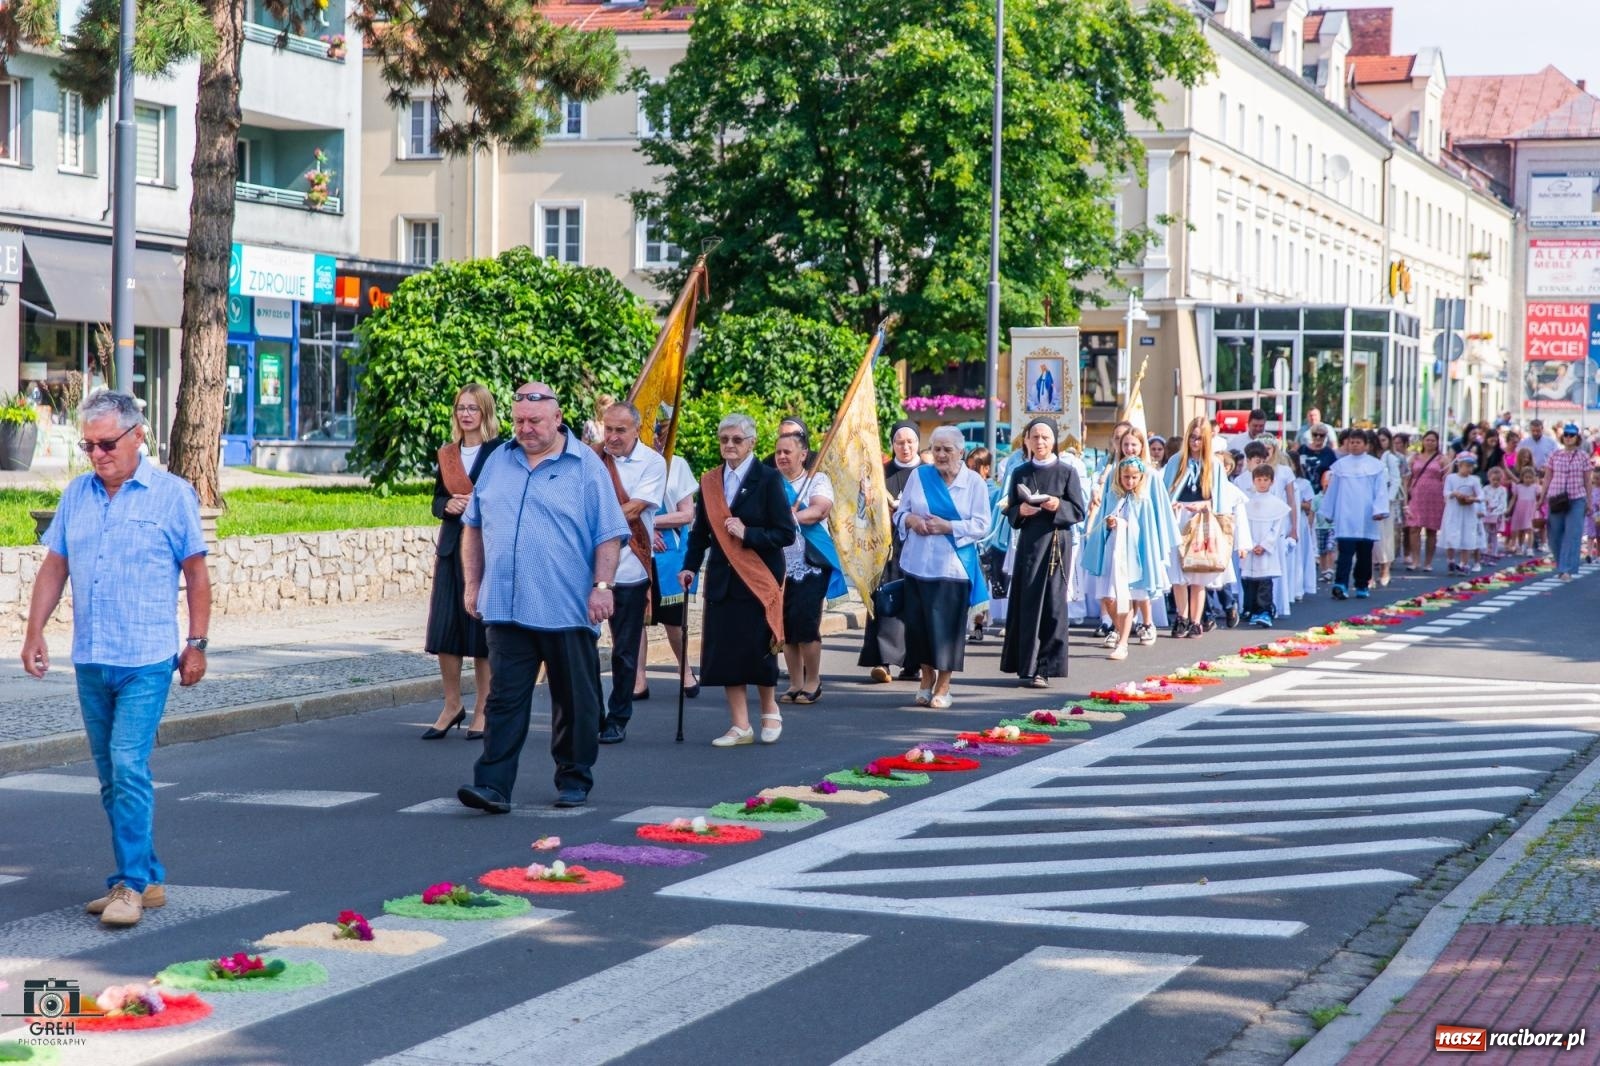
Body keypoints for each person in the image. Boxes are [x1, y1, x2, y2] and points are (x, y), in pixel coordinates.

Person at [22, 390, 210, 927]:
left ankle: (129, 885)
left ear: (138, 436)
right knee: (110, 776)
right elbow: (55, 567)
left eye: (106, 444)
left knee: (128, 765)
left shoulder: (172, 495)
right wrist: (34, 632)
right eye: (88, 446)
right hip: (92, 657)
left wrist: (196, 644)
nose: (97, 454)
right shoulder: (77, 495)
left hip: (146, 658)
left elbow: (196, 574)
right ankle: (147, 878)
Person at [457, 383, 630, 813]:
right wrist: (473, 584)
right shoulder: (498, 460)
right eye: (519, 421)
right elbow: (473, 526)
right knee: (503, 700)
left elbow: (609, 534)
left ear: (557, 418)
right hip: (506, 605)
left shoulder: (586, 466)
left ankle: (573, 778)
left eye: (534, 421)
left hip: (566, 607)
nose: (526, 428)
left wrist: (602, 587)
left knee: (574, 700)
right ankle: (493, 786)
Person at [680, 414, 797, 745]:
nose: (729, 445)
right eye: (724, 439)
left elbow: (785, 533)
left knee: (758, 648)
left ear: (752, 442)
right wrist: (690, 567)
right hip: (723, 577)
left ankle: (770, 709)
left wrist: (749, 534)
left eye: (736, 439)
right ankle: (740, 725)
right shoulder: (710, 481)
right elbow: (700, 533)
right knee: (727, 651)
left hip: (759, 577)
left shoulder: (769, 479)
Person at [423, 383, 504, 740]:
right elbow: (436, 500)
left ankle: (484, 709)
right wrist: (448, 505)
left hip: (485, 549)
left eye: (473, 408)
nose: (466, 414)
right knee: (445, 630)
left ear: (485, 412)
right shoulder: (447, 454)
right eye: (461, 408)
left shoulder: (501, 452)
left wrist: (478, 504)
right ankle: (452, 705)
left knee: (481, 632)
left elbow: (508, 497)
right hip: (451, 548)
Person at [895, 426, 990, 708]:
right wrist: (912, 521)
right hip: (917, 564)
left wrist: (949, 526)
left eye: (947, 449)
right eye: (936, 449)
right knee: (919, 628)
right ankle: (926, 678)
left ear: (961, 452)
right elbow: (901, 513)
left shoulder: (974, 482)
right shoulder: (919, 476)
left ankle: (944, 685)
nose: (941, 454)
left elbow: (982, 525)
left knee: (947, 631)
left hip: (954, 568)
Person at [594, 402, 667, 745]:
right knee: (583, 644)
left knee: (624, 650)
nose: (612, 436)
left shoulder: (653, 462)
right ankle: (592, 713)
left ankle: (618, 717)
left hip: (630, 567)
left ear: (637, 430)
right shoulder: (591, 457)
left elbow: (635, 509)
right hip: (589, 567)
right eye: (608, 429)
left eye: (620, 430)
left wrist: (590, 522)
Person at [999, 419, 1087, 687]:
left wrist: (1058, 504)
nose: (1040, 442)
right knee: (1027, 602)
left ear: (1054, 440)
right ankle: (1027, 664)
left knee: (1052, 604)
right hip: (1029, 544)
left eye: (1045, 437)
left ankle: (1045, 668)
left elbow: (1078, 511)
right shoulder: (1020, 472)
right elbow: (1011, 511)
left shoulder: (1067, 471)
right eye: (1034, 437)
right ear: (1026, 440)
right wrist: (1020, 511)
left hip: (1056, 544)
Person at [774, 431, 845, 705]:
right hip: (780, 564)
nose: (781, 456)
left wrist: (788, 518)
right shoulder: (771, 482)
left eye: (787, 452)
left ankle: (813, 680)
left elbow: (819, 510)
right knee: (786, 627)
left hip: (811, 563)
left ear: (803, 454)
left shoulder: (817, 480)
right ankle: (795, 682)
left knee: (805, 623)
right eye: (778, 452)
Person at [1082, 458, 1167, 660]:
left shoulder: (1143, 501)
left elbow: (1144, 532)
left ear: (1140, 478)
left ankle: (1123, 642)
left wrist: (1123, 524)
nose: (1129, 481)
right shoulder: (1112, 496)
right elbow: (1102, 519)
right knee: (1108, 598)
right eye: (1126, 477)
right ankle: (1121, 631)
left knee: (1125, 597)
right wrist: (1109, 523)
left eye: (1134, 477)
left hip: (1131, 557)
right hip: (1111, 551)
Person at [860, 421, 920, 683]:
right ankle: (882, 661)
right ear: (892, 444)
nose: (905, 447)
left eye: (910, 442)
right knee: (884, 600)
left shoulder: (927, 474)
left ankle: (913, 663)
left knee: (915, 604)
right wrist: (869, 499)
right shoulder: (880, 474)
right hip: (884, 547)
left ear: (917, 443)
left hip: (917, 547)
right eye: (899, 442)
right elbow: (863, 513)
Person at [1165, 417, 1231, 637]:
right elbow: (1166, 491)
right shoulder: (1176, 461)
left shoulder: (1214, 464)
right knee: (1178, 573)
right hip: (1179, 518)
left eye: (1200, 438)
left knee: (1198, 572)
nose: (1195, 442)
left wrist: (1205, 505)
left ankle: (1196, 620)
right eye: (1192, 437)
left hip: (1202, 520)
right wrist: (1173, 504)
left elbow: (1221, 499)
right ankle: (1181, 618)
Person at [643, 447, 700, 700]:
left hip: (669, 554)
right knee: (637, 620)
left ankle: (684, 668)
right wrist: (643, 529)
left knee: (673, 621)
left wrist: (650, 523)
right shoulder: (624, 464)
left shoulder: (676, 464)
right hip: (636, 552)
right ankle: (638, 678)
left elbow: (687, 514)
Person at [1324, 428, 1389, 599]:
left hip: (1367, 515)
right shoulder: (1340, 466)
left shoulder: (1375, 466)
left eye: (1358, 442)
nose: (1354, 445)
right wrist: (1328, 511)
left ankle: (1362, 584)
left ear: (1366, 445)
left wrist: (1379, 509)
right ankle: (1341, 584)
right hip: (1346, 514)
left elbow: (1380, 490)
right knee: (1345, 551)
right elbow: (1333, 490)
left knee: (1364, 553)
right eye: (1351, 442)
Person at [1541, 422, 1591, 579]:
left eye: (1572, 435)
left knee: (1572, 534)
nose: (1568, 438)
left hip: (1576, 498)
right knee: (1554, 535)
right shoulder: (1554, 455)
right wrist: (1541, 498)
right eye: (1566, 435)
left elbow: (1587, 481)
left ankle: (1566, 569)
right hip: (1556, 498)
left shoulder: (1583, 456)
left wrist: (1589, 501)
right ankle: (1561, 564)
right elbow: (1547, 477)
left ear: (1577, 438)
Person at [1242, 464, 1290, 627]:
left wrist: (1264, 545)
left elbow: (1277, 529)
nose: (1262, 483)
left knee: (1265, 581)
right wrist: (1251, 544)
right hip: (1251, 548)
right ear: (1253, 481)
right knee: (1250, 581)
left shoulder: (1277, 505)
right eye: (1259, 480)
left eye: (1265, 480)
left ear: (1272, 481)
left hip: (1267, 550)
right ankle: (1251, 609)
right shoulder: (1247, 503)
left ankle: (1265, 611)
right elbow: (1243, 526)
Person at [1404, 430, 1446, 571]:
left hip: (1435, 497)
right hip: (1416, 495)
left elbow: (1447, 478)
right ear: (1423, 441)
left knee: (1431, 530)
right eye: (1427, 440)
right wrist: (1406, 496)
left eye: (1433, 440)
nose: (1430, 442)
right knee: (1414, 528)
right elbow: (1407, 477)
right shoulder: (1414, 457)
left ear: (1437, 442)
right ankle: (1415, 560)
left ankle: (1428, 562)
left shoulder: (1442, 459)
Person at [1441, 453, 1484, 574]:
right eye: (1467, 466)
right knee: (1451, 536)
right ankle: (1450, 560)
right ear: (1459, 465)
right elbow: (1446, 492)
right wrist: (1454, 493)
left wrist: (1474, 499)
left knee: (1467, 536)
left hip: (1468, 511)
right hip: (1454, 510)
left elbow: (1481, 494)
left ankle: (1464, 563)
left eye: (1471, 466)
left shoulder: (1474, 480)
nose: (1469, 469)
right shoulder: (1451, 478)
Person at [1371, 428, 1402, 588]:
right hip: (1372, 501)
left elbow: (1396, 480)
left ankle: (1385, 570)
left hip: (1386, 502)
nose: (1381, 443)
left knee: (1386, 536)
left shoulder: (1390, 457)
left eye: (1384, 440)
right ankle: (1370, 574)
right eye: (1379, 440)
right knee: (1372, 538)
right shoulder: (1371, 457)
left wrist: (1388, 500)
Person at [1508, 466, 1539, 555]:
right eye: (1526, 477)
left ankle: (1529, 548)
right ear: (1522, 477)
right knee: (1520, 530)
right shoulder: (1518, 487)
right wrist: (1509, 508)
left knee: (1530, 529)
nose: (1528, 480)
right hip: (1520, 511)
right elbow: (1513, 498)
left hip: (1531, 510)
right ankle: (1520, 546)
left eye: (1530, 477)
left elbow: (1540, 496)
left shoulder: (1535, 487)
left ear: (1533, 478)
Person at [1483, 466, 1508, 562]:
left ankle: (1494, 553)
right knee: (1485, 533)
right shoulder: (1485, 489)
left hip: (1496, 515)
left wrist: (1496, 512)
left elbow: (1503, 503)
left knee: (1494, 534)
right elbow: (1482, 501)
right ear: (1489, 478)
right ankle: (1484, 552)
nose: (1496, 482)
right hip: (1486, 514)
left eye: (1498, 480)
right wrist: (1486, 510)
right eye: (1493, 479)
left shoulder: (1502, 490)